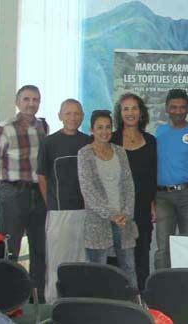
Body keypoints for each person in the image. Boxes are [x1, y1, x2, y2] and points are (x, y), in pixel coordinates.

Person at [0, 85, 48, 300]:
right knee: (10, 250)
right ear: (17, 102)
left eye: (35, 99)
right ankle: (7, 299)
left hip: (38, 194)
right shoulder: (5, 128)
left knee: (40, 250)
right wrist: (3, 190)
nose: (31, 103)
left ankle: (36, 298)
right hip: (14, 194)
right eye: (26, 99)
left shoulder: (43, 127)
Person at [37, 99, 90, 302]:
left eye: (77, 114)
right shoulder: (49, 143)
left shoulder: (88, 141)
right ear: (60, 116)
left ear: (82, 116)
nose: (72, 118)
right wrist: (50, 204)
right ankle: (53, 303)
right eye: (68, 113)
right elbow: (42, 177)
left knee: (81, 259)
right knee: (57, 260)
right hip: (59, 212)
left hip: (85, 211)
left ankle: (78, 301)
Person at [77, 110, 138, 281]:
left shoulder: (120, 152)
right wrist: (111, 215)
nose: (104, 131)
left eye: (108, 127)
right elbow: (88, 190)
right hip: (98, 222)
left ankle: (133, 298)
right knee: (99, 273)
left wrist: (125, 213)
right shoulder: (84, 154)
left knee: (129, 268)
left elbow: (128, 184)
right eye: (100, 127)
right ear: (92, 130)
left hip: (123, 220)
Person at [110, 93, 156, 289]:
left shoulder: (151, 140)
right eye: (126, 109)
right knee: (118, 256)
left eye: (134, 108)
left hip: (143, 207)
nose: (130, 113)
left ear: (141, 112)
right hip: (117, 209)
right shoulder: (111, 140)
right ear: (120, 113)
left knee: (142, 253)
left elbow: (152, 175)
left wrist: (152, 204)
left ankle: (142, 298)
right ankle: (119, 298)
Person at [153, 89, 188, 270]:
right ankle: (160, 285)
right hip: (162, 197)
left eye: (182, 107)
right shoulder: (158, 133)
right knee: (163, 249)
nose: (178, 111)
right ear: (167, 109)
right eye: (174, 107)